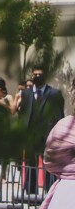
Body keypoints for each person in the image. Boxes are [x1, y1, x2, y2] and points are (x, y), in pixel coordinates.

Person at [21, 66, 65, 196]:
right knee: (30, 163)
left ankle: (49, 190)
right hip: (30, 135)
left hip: (48, 135)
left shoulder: (54, 93)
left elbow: (60, 114)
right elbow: (23, 114)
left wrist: (59, 135)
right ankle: (30, 191)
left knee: (48, 164)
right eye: (35, 74)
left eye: (40, 74)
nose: (37, 77)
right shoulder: (26, 93)